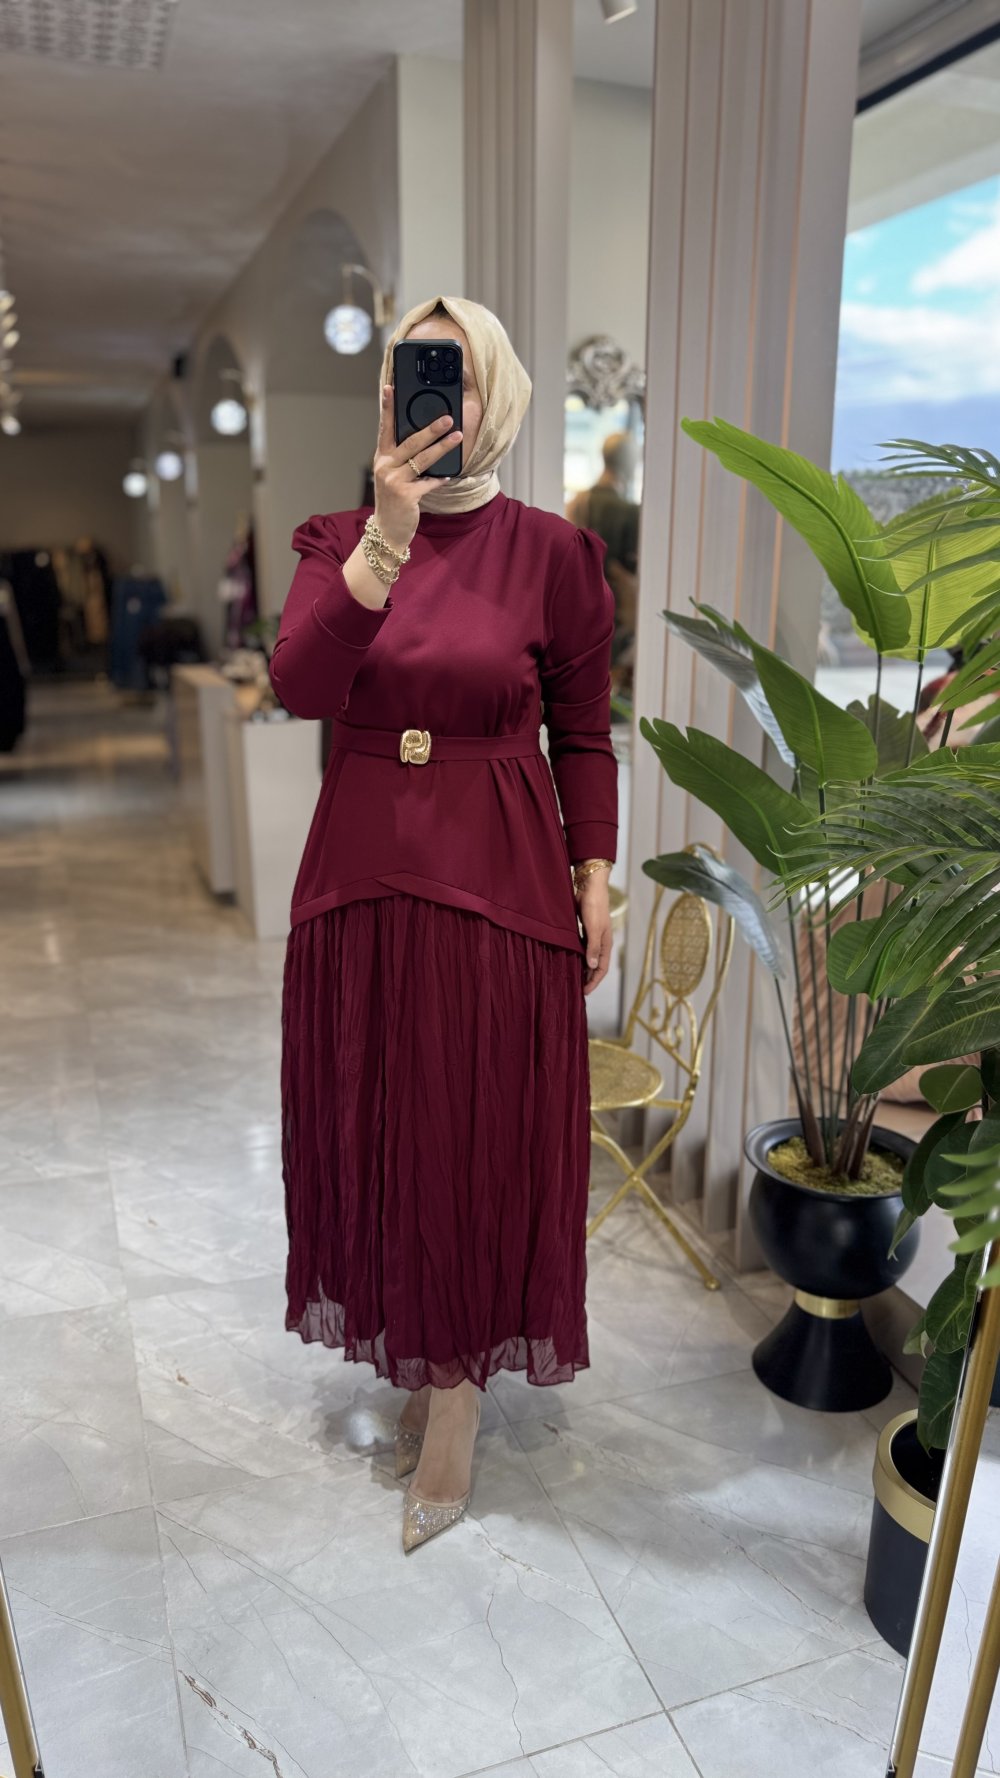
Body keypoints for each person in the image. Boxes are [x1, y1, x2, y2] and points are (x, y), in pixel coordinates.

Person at [269, 295, 618, 1553]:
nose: (422, 401)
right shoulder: (337, 539)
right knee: (378, 1124)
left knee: (473, 1133)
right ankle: (418, 1343)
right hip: (361, 880)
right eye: (407, 379)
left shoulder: (554, 555)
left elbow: (583, 731)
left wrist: (595, 871)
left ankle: (458, 1396)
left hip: (498, 882)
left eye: (450, 378)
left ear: (497, 398)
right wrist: (386, 540)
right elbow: (301, 682)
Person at [566, 432, 639, 698]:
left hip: (578, 614)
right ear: (629, 463)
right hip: (617, 618)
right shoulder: (631, 512)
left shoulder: (577, 503)